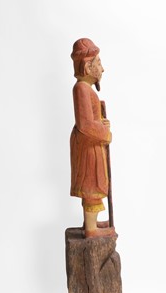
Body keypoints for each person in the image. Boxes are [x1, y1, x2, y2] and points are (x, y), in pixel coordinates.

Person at [70, 38, 116, 238]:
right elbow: (86, 125)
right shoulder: (81, 89)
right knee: (92, 185)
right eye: (98, 63)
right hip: (89, 147)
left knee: (95, 183)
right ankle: (91, 229)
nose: (102, 68)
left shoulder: (85, 89)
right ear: (88, 67)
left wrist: (101, 122)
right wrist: (105, 133)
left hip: (92, 145)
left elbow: (92, 120)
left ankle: (92, 223)